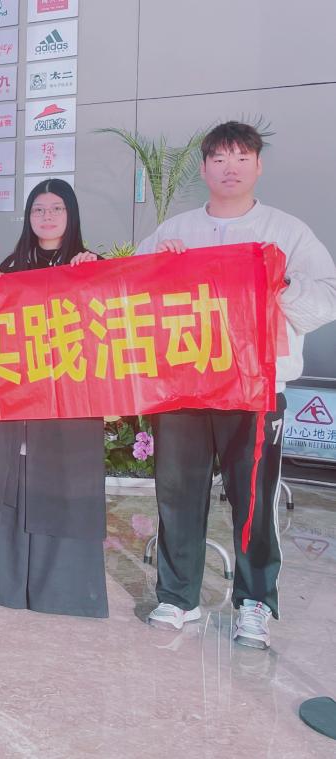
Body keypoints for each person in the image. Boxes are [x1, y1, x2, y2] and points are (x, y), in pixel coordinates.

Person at [137, 121, 336, 647]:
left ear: (258, 166)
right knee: (178, 494)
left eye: (242, 158)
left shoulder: (286, 232)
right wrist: (158, 267)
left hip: (255, 387)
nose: (231, 168)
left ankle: (254, 602)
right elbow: (131, 291)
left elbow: (327, 295)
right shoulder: (176, 231)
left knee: (253, 499)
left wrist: (280, 282)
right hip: (183, 387)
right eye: (220, 159)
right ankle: (178, 597)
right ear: (204, 168)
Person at [0, 178, 108, 618]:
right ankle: (10, 585)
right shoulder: (9, 268)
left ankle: (63, 591)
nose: (47, 217)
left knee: (62, 480)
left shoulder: (91, 264)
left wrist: (96, 276)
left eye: (56, 209)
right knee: (14, 478)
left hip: (69, 402)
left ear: (71, 215)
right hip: (17, 402)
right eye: (38, 210)